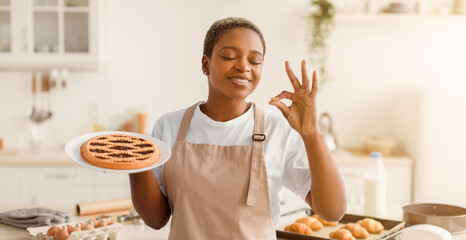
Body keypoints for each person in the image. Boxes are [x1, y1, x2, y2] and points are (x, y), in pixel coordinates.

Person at [129, 17, 346, 239]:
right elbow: (156, 219)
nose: (244, 66)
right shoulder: (169, 126)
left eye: (255, 60)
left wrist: (311, 134)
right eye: (229, 56)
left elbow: (333, 211)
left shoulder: (276, 129)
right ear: (206, 64)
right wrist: (134, 162)